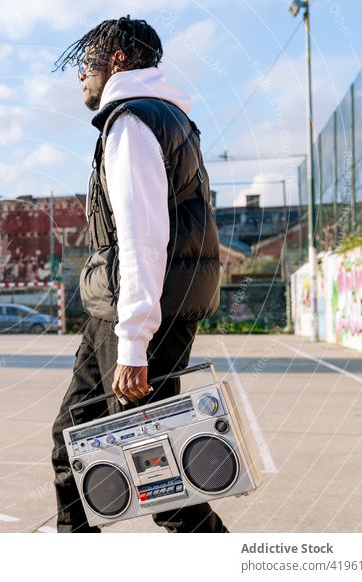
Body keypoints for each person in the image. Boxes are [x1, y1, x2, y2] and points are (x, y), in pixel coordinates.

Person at [49, 16, 226, 533]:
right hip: (135, 308)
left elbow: (142, 237)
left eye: (87, 62)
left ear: (118, 60)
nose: (79, 74)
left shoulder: (131, 123)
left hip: (140, 313)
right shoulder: (167, 118)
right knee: (74, 440)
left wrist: (133, 343)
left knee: (158, 473)